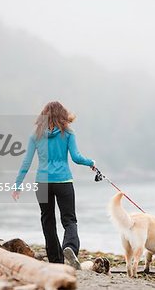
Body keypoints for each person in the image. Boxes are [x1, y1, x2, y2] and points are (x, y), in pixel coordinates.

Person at [13, 101, 94, 269]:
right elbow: (77, 157)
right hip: (63, 181)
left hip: (42, 183)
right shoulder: (68, 133)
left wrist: (17, 184)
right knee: (69, 219)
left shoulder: (35, 135)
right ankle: (70, 247)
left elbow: (26, 162)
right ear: (63, 115)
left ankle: (56, 260)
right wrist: (91, 162)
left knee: (47, 220)